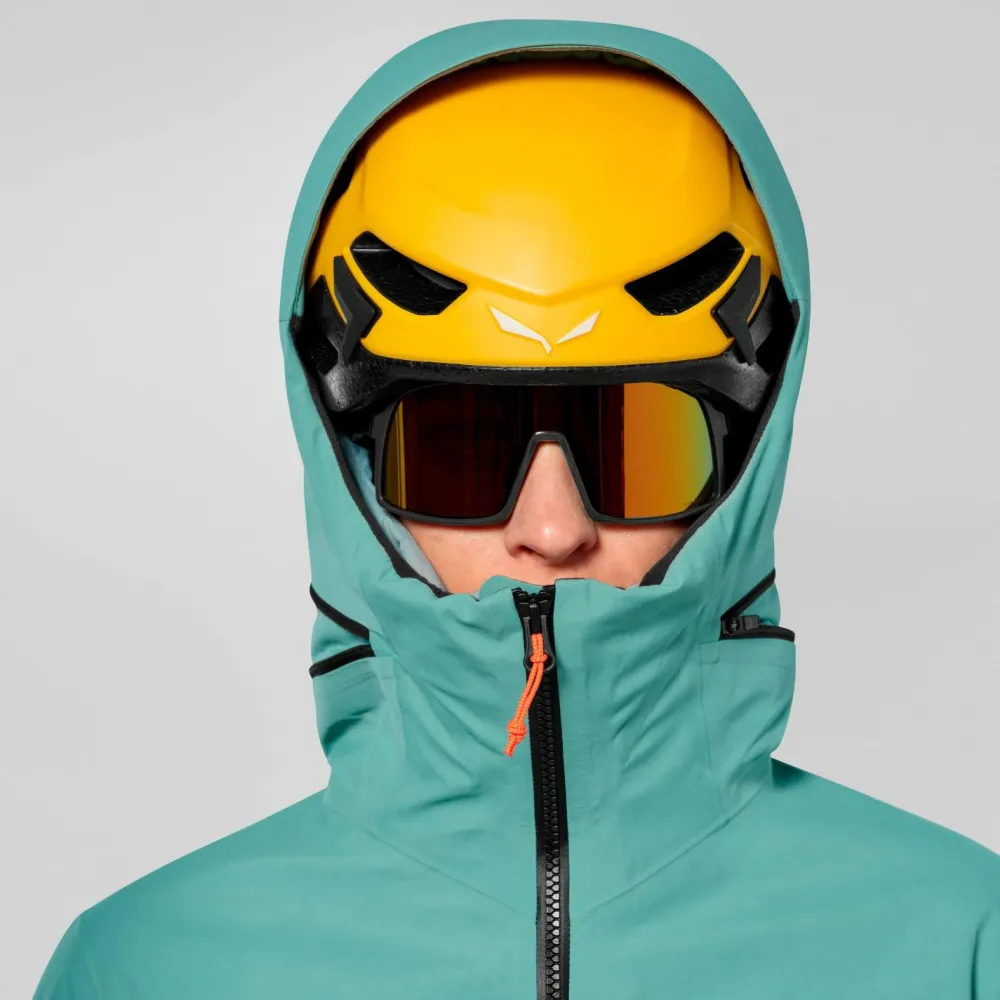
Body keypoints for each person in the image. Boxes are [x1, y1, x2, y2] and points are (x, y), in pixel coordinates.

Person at [34, 19, 1000, 1000]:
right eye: (456, 448)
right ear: (352, 475)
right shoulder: (144, 969)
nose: (552, 529)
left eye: (641, 444)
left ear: (747, 462)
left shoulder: (958, 943)